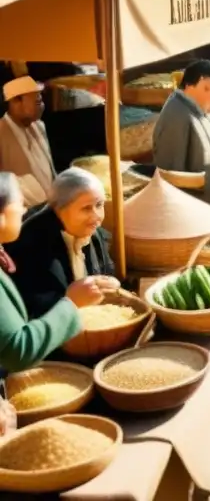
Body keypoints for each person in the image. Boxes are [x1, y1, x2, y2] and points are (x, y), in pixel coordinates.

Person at [0, 172, 106, 437]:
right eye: (20, 204)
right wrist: (71, 303)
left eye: (100, 205)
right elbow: (18, 347)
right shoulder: (28, 244)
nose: (26, 210)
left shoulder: (96, 234)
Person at [8, 169, 117, 319]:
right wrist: (73, 298)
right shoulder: (31, 245)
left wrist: (107, 284)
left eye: (99, 205)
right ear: (59, 210)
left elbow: (106, 271)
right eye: (86, 208)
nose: (96, 216)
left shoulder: (92, 231)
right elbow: (34, 305)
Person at [152, 60, 210, 207]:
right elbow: (171, 176)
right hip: (191, 208)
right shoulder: (176, 115)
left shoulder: (204, 110)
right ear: (203, 84)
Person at [0, 77, 55, 209]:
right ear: (15, 102)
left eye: (40, 98)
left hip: (49, 208)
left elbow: (49, 168)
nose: (41, 104)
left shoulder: (39, 126)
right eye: (36, 100)